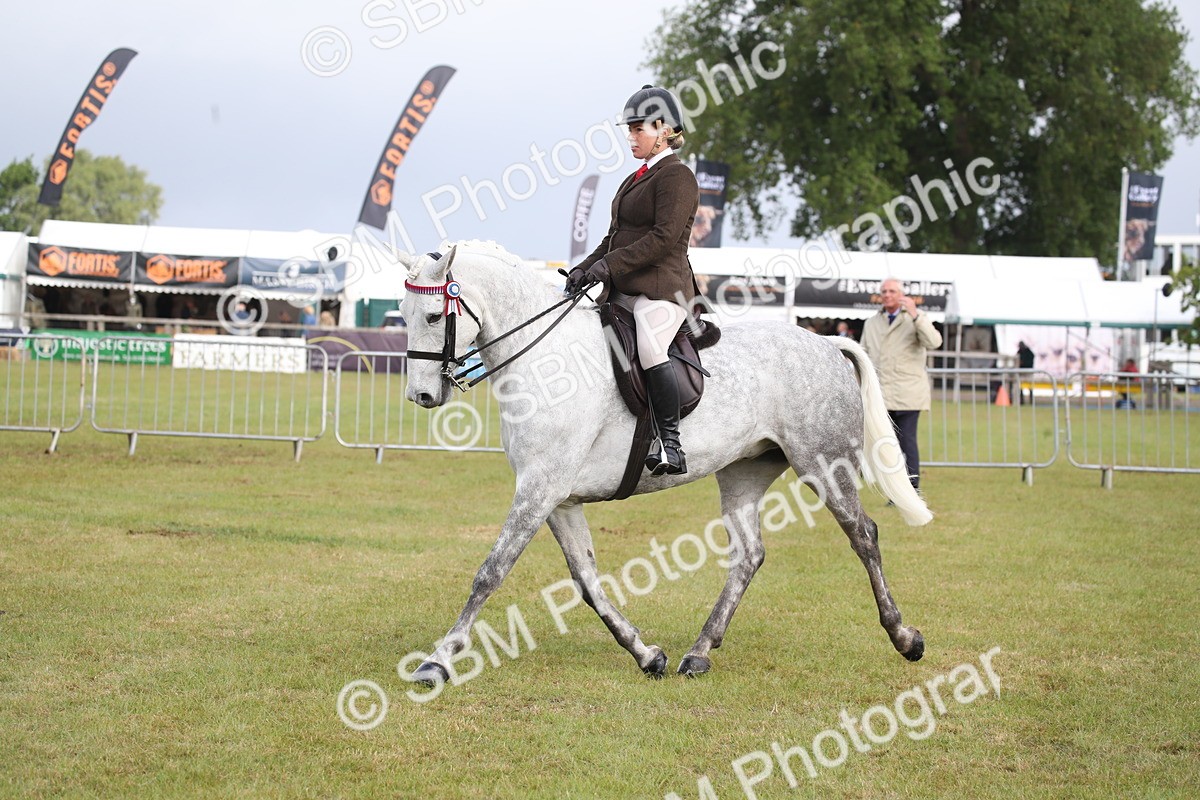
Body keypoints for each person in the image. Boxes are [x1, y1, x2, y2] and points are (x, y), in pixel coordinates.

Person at [564, 85, 699, 476]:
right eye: (630, 129)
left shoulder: (678, 177)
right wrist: (584, 267)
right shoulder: (633, 179)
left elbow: (663, 238)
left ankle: (671, 444)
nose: (631, 136)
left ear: (664, 130)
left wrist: (608, 267)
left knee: (651, 346)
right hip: (623, 289)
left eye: (639, 129)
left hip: (662, 290)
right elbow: (613, 237)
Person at [861, 278, 943, 493]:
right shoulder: (871, 323)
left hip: (908, 393)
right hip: (880, 395)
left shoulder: (916, 318)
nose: (887, 295)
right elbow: (863, 354)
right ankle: (894, 490)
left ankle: (912, 488)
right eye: (884, 291)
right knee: (887, 445)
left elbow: (934, 342)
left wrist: (916, 316)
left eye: (892, 291)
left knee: (907, 442)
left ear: (901, 294)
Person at [1017, 340, 1035, 405]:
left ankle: (1031, 401)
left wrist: (1023, 363)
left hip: (1028, 371)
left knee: (1030, 387)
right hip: (1022, 372)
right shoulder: (1019, 352)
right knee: (1020, 387)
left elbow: (1030, 361)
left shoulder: (1029, 352)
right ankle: (1022, 401)